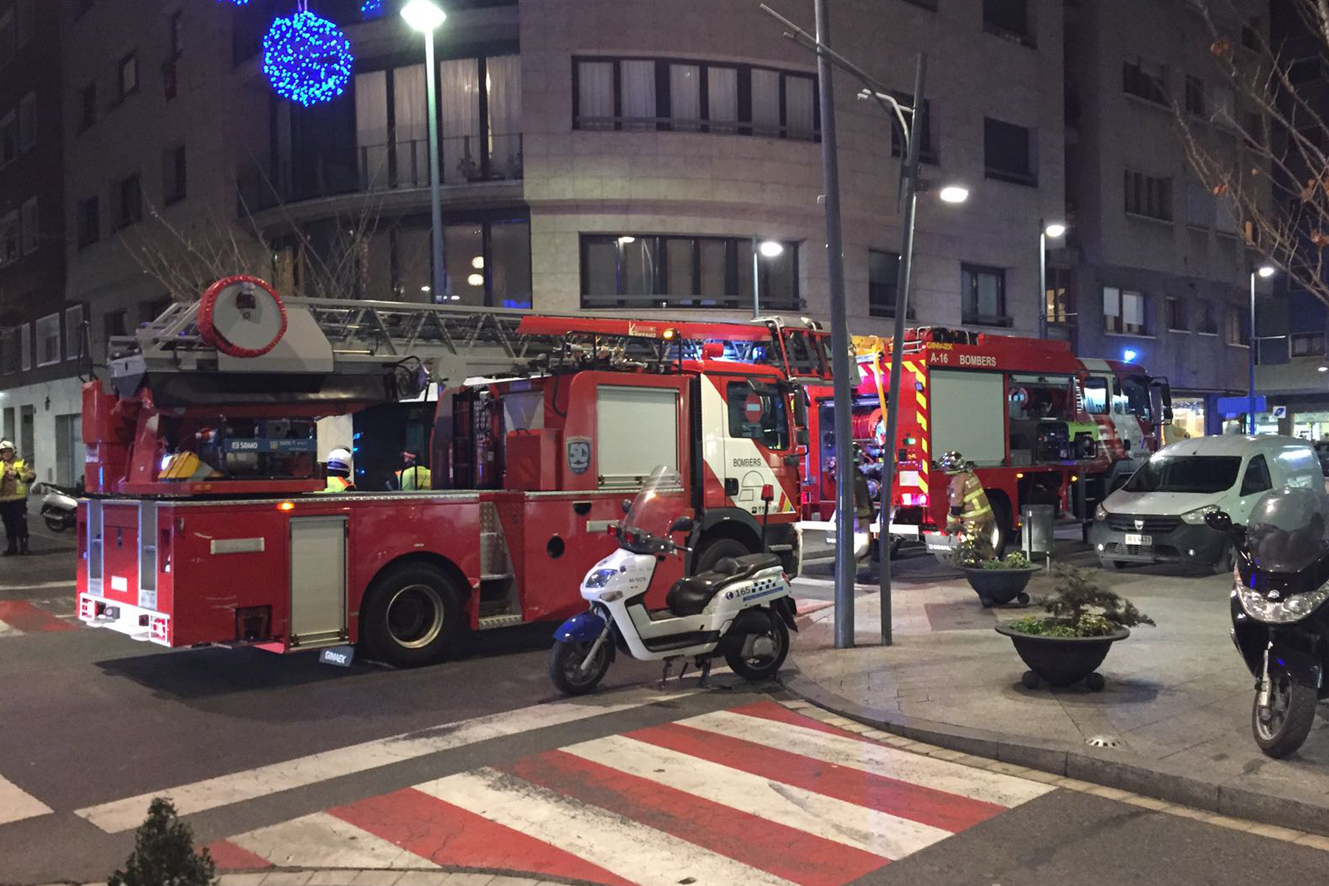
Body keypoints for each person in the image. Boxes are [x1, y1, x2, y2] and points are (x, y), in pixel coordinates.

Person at [940, 450, 996, 561]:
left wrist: (949, 527)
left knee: (970, 546)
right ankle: (992, 565)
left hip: (974, 520)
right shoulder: (970, 474)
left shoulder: (958, 480)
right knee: (985, 544)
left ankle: (975, 570)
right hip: (987, 516)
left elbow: (956, 507)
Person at [0, 440, 37, 556]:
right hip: (3, 500)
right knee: (8, 524)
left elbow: (32, 476)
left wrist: (17, 474)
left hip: (18, 500)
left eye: (8, 451)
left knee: (21, 524)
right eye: (3, 452)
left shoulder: (22, 462)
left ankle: (24, 547)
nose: (6, 454)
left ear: (13, 451)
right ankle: (12, 547)